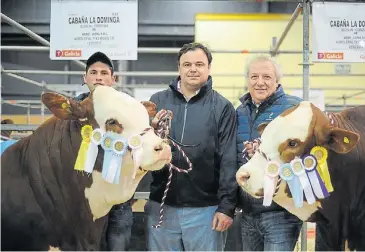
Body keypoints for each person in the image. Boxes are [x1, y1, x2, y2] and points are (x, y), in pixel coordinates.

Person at [145, 42, 238, 251]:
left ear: (209, 68)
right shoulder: (157, 101)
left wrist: (226, 207)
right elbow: (142, 150)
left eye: (199, 64)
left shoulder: (222, 107)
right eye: (187, 64)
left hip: (205, 210)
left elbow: (229, 160)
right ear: (179, 68)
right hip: (162, 206)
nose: (193, 69)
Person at [236, 55, 303, 251]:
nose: (260, 82)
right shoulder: (239, 112)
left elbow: (307, 153)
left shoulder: (295, 108)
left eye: (266, 77)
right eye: (254, 76)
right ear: (248, 80)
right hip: (247, 212)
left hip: (281, 213)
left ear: (277, 80)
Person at [74, 51, 134, 251]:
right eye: (93, 72)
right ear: (85, 78)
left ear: (113, 79)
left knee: (118, 244)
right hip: (82, 196)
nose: (98, 77)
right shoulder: (73, 110)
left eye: (103, 73)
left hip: (118, 199)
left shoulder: (127, 109)